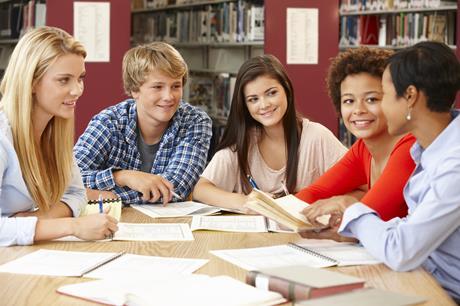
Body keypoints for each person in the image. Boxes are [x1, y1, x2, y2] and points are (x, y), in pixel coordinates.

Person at [305, 41, 460, 302]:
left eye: (382, 96)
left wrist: (351, 207)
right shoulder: (430, 149)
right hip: (420, 276)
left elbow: (401, 249)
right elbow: (411, 228)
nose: (378, 108)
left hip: (442, 293)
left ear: (410, 96)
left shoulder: (453, 164)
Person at [0, 26, 118, 246]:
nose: (77, 90)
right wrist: (72, 226)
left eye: (80, 78)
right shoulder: (2, 136)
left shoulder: (54, 131)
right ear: (32, 82)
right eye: (64, 80)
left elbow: (76, 194)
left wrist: (35, 221)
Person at [193, 54, 347, 213]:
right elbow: (201, 190)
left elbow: (359, 185)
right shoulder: (241, 144)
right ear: (245, 105)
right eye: (253, 99)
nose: (264, 105)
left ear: (286, 89)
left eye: (271, 93)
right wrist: (245, 202)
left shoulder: (317, 137)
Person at [296, 47, 416, 240]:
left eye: (371, 99)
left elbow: (365, 217)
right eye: (349, 101)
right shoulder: (362, 149)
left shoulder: (410, 147)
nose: (358, 110)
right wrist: (276, 211)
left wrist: (345, 205)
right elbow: (315, 192)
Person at [74, 42, 212, 205]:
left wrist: (104, 196)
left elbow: (173, 190)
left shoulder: (195, 122)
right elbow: (68, 181)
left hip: (167, 225)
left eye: (176, 86)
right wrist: (122, 176)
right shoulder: (108, 122)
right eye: (157, 87)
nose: (169, 96)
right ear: (134, 90)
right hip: (111, 224)